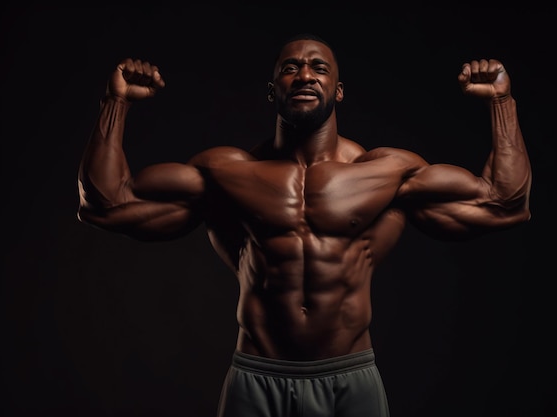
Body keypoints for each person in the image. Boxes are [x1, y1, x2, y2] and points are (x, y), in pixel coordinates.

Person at [77, 33, 532, 417]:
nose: (305, 74)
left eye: (319, 67)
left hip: (351, 378)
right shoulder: (227, 173)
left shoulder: (387, 173)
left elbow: (505, 202)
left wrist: (502, 102)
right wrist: (114, 101)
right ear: (273, 89)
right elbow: (107, 203)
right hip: (257, 377)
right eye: (291, 67)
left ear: (337, 90)